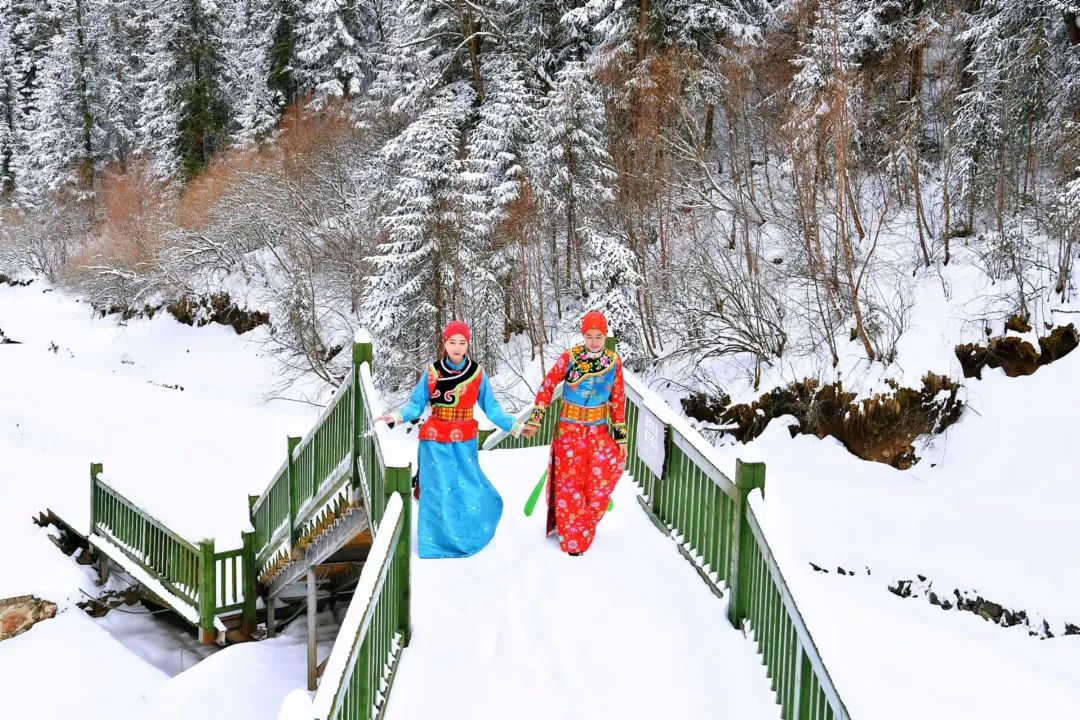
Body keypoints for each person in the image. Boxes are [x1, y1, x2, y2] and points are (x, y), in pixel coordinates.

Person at [376, 321, 524, 559]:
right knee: (438, 491)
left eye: (462, 342)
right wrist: (396, 417)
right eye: (452, 342)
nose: (457, 347)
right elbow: (416, 404)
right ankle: (435, 544)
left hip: (464, 440)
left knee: (468, 486)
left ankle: (465, 537)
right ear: (444, 343)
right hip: (434, 439)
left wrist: (515, 426)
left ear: (468, 344)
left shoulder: (477, 373)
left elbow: (492, 407)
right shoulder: (432, 372)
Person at [521, 311, 627, 555]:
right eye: (589, 336)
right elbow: (548, 385)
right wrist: (536, 419)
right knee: (570, 485)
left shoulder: (614, 362)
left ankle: (584, 524)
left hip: (598, 431)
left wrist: (621, 436)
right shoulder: (570, 357)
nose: (594, 341)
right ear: (583, 335)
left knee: (599, 481)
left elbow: (618, 399)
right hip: (569, 431)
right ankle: (573, 538)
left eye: (599, 336)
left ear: (605, 335)